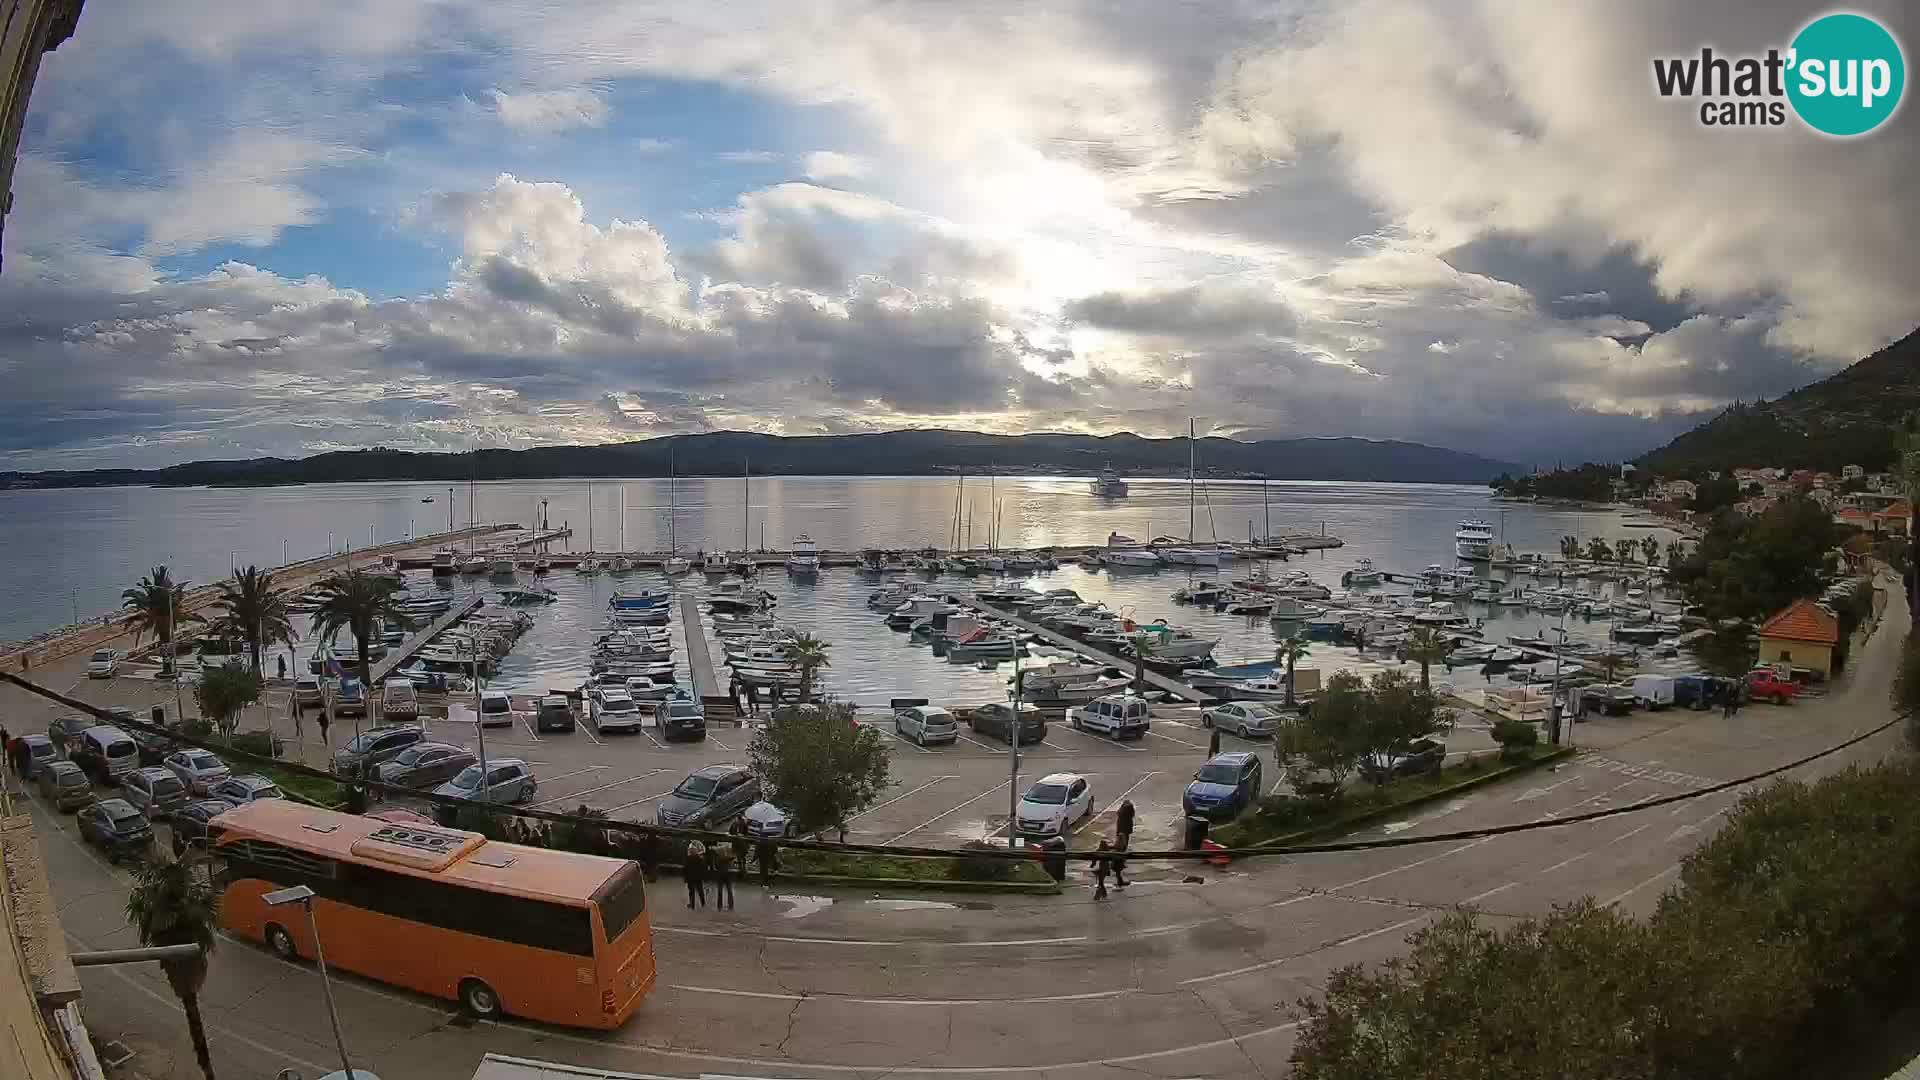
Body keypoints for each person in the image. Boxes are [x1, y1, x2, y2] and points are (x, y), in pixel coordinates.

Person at [709, 842, 736, 911]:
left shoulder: (718, 857)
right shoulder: (725, 857)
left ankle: (721, 906)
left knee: (722, 891)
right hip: (725, 875)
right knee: (728, 890)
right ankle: (729, 906)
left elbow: (716, 865)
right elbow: (730, 861)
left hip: (721, 874)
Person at [684, 840, 707, 909]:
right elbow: (703, 869)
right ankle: (703, 903)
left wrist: (685, 878)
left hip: (690, 877)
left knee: (691, 891)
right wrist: (704, 877)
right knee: (700, 890)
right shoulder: (700, 859)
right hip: (698, 877)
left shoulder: (688, 858)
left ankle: (692, 904)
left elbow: (686, 869)